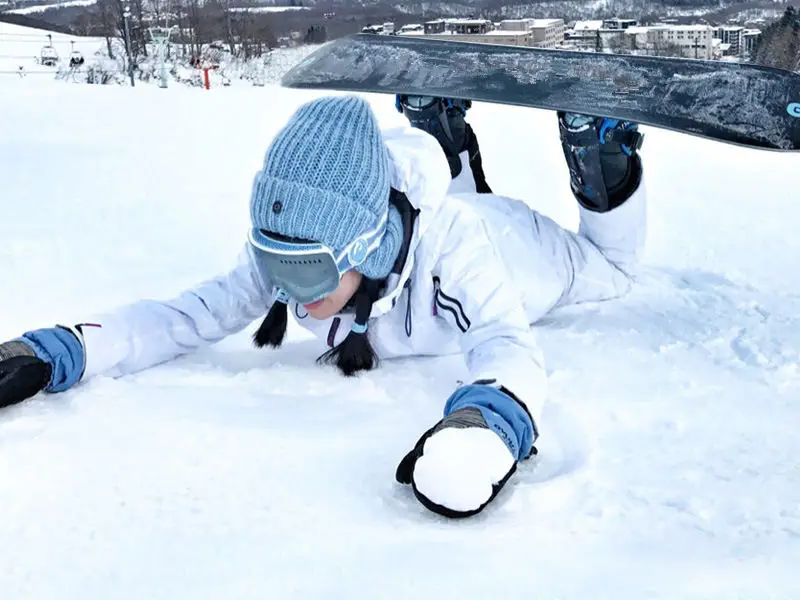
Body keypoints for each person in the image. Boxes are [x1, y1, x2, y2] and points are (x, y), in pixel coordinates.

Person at [0, 93, 645, 518]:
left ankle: (602, 156)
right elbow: (182, 317)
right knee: (454, 201)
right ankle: (442, 128)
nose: (285, 289)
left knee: (610, 271)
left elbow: (505, 343)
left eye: (303, 271)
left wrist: (487, 424)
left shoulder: (459, 252)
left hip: (519, 249)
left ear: (363, 252)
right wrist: (64, 349)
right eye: (271, 260)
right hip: (421, 217)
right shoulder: (301, 253)